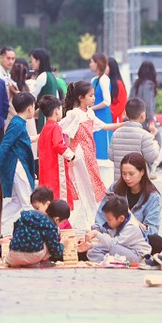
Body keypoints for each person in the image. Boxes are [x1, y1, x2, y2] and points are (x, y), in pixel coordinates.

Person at [95, 153, 162, 259]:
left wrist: (129, 216)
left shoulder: (153, 197)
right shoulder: (115, 189)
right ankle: (113, 252)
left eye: (131, 174)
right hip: (112, 236)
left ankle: (113, 252)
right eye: (124, 174)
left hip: (135, 241)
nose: (127, 178)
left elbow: (152, 230)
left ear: (142, 172)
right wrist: (96, 233)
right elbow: (100, 218)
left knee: (157, 241)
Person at [60, 81, 105, 227]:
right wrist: (37, 137)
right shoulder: (75, 114)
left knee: (84, 189)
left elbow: (104, 126)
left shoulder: (89, 113)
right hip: (80, 153)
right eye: (91, 96)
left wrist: (126, 124)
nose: (94, 98)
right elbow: (59, 126)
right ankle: (90, 223)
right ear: (81, 97)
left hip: (87, 154)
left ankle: (79, 223)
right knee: (87, 188)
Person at [0, 92, 36, 232]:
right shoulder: (17, 124)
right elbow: (4, 145)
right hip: (17, 166)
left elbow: (22, 141)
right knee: (28, 201)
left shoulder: (18, 122)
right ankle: (36, 229)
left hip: (18, 165)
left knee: (18, 201)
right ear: (30, 108)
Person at [7, 194, 69, 267]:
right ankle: (40, 263)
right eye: (63, 222)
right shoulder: (51, 226)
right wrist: (62, 244)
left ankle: (22, 263)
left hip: (13, 256)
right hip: (34, 257)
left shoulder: (28, 215)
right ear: (57, 219)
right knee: (49, 242)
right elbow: (56, 252)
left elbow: (16, 226)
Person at [83, 196, 150, 264]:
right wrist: (92, 245)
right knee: (92, 251)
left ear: (121, 218)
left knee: (112, 248)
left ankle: (108, 262)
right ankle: (105, 263)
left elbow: (113, 244)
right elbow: (101, 228)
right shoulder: (116, 223)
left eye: (109, 219)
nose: (107, 221)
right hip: (120, 249)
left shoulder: (131, 226)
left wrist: (96, 233)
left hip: (138, 256)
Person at [36, 96, 75, 207]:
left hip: (45, 167)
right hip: (55, 167)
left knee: (47, 193)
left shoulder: (45, 128)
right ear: (56, 111)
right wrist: (71, 155)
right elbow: (59, 145)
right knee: (58, 194)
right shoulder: (55, 127)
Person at [108, 99, 159, 183]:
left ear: (125, 114)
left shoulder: (116, 133)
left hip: (120, 181)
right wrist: (155, 144)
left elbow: (111, 156)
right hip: (138, 183)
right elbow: (151, 157)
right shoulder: (144, 135)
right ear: (143, 115)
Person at [131, 61, 159, 144]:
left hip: (133, 117)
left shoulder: (136, 84)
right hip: (144, 118)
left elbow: (130, 99)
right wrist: (151, 120)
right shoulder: (149, 84)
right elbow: (148, 104)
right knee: (155, 140)